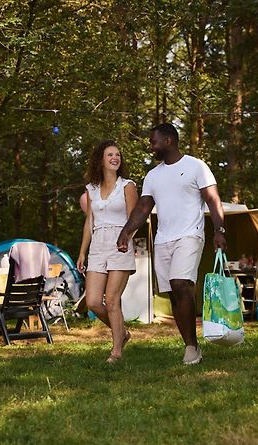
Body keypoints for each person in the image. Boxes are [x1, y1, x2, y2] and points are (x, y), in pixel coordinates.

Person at [117, 123, 226, 365]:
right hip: (163, 239)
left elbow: (213, 199)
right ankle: (192, 345)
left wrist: (220, 230)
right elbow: (143, 207)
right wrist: (127, 231)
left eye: (153, 141)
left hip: (190, 235)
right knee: (174, 294)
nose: (150, 146)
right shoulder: (153, 175)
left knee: (181, 284)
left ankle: (190, 347)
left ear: (168, 141)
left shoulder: (196, 166)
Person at [77, 140, 138, 363]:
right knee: (93, 301)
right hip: (97, 247)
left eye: (118, 155)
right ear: (100, 160)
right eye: (110, 154)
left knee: (112, 300)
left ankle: (116, 352)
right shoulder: (91, 189)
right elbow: (89, 222)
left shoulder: (127, 185)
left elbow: (134, 218)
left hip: (119, 244)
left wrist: (126, 238)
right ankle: (122, 332)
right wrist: (82, 252)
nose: (115, 158)